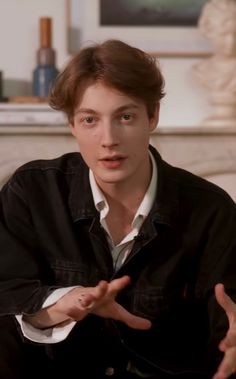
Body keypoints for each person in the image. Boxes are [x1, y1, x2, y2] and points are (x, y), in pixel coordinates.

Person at [0, 39, 236, 379]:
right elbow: (6, 293)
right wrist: (61, 302)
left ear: (152, 116)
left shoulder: (211, 210)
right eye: (90, 120)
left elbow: (227, 318)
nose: (108, 139)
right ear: (72, 125)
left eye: (125, 116)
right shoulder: (32, 192)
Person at [194, 0, 236, 94]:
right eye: (224, 34)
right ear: (209, 32)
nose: (231, 41)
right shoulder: (202, 70)